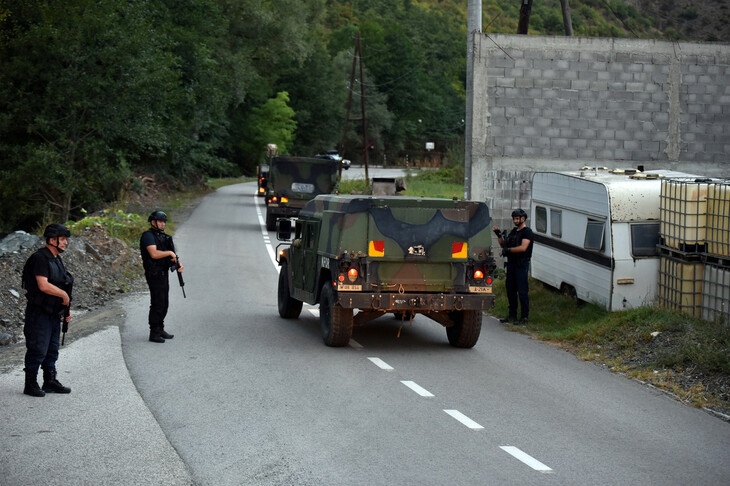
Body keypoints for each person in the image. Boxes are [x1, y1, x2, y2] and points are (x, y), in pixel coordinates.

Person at [21, 223, 74, 397]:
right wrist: (64, 297)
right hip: (39, 312)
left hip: (54, 312)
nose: (66, 242)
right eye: (63, 239)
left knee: (52, 349)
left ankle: (49, 381)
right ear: (52, 240)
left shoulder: (56, 258)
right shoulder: (40, 258)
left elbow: (63, 284)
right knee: (38, 348)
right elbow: (43, 285)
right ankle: (30, 384)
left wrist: (67, 308)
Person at [140, 210, 183, 343]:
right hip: (154, 273)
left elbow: (171, 255)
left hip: (163, 273)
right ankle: (154, 332)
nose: (163, 224)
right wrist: (169, 253)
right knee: (157, 303)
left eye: (164, 221)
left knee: (164, 303)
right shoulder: (148, 236)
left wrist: (178, 263)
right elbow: (154, 254)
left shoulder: (163, 237)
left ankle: (160, 328)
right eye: (160, 221)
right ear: (153, 222)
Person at [493, 209, 534, 325]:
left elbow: (523, 248)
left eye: (517, 219)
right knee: (510, 290)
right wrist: (498, 235)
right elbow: (503, 244)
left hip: (521, 264)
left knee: (522, 291)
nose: (515, 221)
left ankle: (524, 317)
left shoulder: (527, 232)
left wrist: (509, 250)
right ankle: (512, 315)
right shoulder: (513, 232)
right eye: (514, 219)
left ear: (523, 219)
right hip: (511, 264)